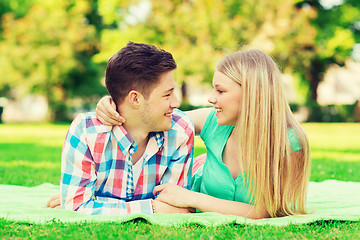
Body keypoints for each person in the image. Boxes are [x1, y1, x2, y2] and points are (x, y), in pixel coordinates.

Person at [96, 48, 311, 219]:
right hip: (190, 181)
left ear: (252, 94)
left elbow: (265, 211)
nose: (211, 98)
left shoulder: (290, 143)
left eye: (220, 90)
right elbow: (155, 114)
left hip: (189, 195)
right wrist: (115, 103)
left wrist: (191, 199)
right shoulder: (213, 122)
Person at [47, 42, 195, 215]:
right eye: (167, 94)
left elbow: (176, 207)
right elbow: (77, 208)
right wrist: (153, 207)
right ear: (135, 99)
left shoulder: (180, 131)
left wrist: (95, 201)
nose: (176, 102)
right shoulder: (86, 132)